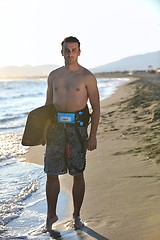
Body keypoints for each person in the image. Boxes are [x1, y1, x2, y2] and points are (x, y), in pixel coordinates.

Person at [44, 36, 100, 231]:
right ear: (62, 52)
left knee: (78, 172)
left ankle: (76, 215)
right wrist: (43, 131)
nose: (70, 54)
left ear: (79, 52)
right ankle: (51, 214)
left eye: (73, 50)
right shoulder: (53, 75)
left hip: (77, 129)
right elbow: (48, 106)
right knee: (51, 172)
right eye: (67, 50)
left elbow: (96, 108)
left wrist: (93, 136)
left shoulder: (87, 77)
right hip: (55, 128)